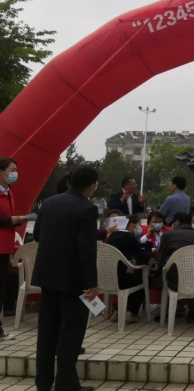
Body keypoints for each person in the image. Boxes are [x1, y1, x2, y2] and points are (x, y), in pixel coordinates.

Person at [32, 164, 100, 391]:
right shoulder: (87, 209)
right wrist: (92, 283)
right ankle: (66, 384)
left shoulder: (49, 203)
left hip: (47, 276)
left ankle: (43, 383)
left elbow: (37, 235)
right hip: (74, 280)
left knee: (47, 331)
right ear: (91, 186)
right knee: (70, 333)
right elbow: (87, 250)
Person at [156, 212, 194, 322]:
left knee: (161, 274)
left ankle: (167, 310)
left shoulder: (168, 235)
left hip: (174, 281)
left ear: (177, 223)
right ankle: (191, 309)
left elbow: (160, 259)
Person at [107, 214, 152, 323]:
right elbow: (143, 259)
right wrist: (148, 246)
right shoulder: (129, 237)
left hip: (108, 277)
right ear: (132, 225)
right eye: (139, 225)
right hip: (123, 278)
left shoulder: (111, 237)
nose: (140, 228)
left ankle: (118, 310)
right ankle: (131, 312)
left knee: (133, 278)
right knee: (142, 280)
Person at [0, 157, 22, 341]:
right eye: (12, 170)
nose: (15, 173)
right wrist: (10, 220)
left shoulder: (8, 192)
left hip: (5, 246)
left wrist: (17, 220)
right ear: (1, 172)